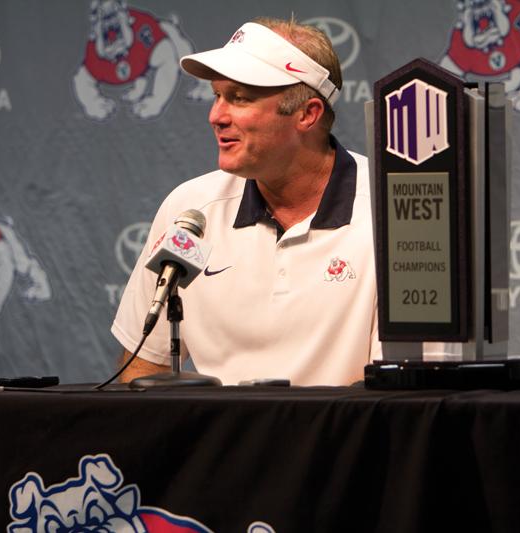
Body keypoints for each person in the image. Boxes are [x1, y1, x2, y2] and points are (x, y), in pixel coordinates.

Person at [111, 17, 382, 386]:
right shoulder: (190, 210)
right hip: (219, 443)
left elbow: (395, 393)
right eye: (217, 96)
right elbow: (142, 369)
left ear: (307, 114)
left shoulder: (388, 213)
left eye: (239, 98)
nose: (216, 116)